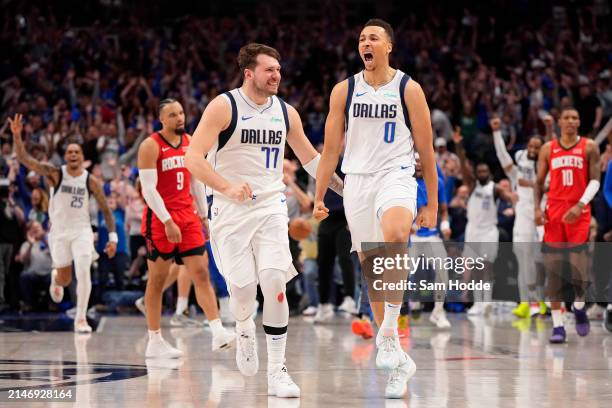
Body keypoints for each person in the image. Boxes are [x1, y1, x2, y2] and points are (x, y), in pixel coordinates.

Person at [185, 43, 343, 398]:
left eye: (279, 69)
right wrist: (225, 186)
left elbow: (312, 160)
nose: (277, 75)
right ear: (249, 73)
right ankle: (243, 326)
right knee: (242, 291)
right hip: (229, 210)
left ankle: (278, 371)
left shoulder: (286, 113)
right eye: (269, 69)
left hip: (272, 206)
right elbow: (192, 158)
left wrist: (345, 189)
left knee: (274, 282)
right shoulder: (224, 106)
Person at [313, 19, 437, 399]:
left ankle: (387, 329)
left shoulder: (408, 88)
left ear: (388, 47)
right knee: (372, 265)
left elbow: (427, 149)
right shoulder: (344, 90)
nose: (365, 43)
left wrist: (432, 201)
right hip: (358, 182)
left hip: (397, 174)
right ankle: (398, 359)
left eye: (373, 38)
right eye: (361, 39)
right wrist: (319, 196)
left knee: (397, 235)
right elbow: (331, 148)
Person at [137, 99, 235, 358]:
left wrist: (204, 216)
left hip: (188, 215)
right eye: (172, 115)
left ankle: (217, 331)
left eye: (181, 113)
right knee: (157, 280)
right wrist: (167, 220)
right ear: (162, 120)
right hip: (160, 218)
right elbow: (148, 190)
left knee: (201, 273)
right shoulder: (150, 146)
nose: (179, 118)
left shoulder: (191, 142)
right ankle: (154, 340)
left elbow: (196, 181)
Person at [9, 113, 118, 333]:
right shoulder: (54, 174)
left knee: (84, 268)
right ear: (65, 156)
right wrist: (17, 137)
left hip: (82, 231)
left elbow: (106, 209)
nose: (73, 154)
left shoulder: (90, 180)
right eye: (69, 152)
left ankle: (80, 318)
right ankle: (55, 278)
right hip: (59, 232)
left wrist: (113, 237)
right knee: (65, 279)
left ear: (82, 155)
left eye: (77, 151)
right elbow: (24, 159)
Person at [534, 107, 601, 343]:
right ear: (560, 122)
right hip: (554, 210)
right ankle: (558, 326)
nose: (571, 121)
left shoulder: (590, 146)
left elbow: (595, 181)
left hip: (578, 209)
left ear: (579, 122)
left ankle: (580, 305)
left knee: (578, 270)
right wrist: (536, 209)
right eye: (567, 118)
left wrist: (580, 204)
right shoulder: (547, 148)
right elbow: (539, 183)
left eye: (575, 118)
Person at [452, 128, 514, 316]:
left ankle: (486, 301)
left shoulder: (495, 189)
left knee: (487, 266)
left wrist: (515, 197)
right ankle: (478, 303)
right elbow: (463, 166)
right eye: (479, 170)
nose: (482, 173)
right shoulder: (472, 186)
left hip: (488, 231)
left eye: (485, 170)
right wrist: (458, 145)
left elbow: (508, 195)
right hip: (473, 230)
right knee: (475, 268)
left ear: (489, 172)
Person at [491, 117, 547, 318]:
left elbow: (545, 187)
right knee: (523, 260)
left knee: (542, 262)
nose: (533, 148)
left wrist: (535, 186)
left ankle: (543, 301)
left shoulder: (546, 170)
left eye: (537, 146)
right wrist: (497, 133)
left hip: (542, 217)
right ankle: (526, 302)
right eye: (531, 144)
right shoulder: (518, 169)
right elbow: (503, 157)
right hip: (523, 220)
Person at [410, 153, 451, 329]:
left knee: (443, 271)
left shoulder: (437, 183)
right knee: (401, 273)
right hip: (411, 236)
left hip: (432, 235)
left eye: (421, 162)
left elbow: (443, 209)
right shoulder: (404, 184)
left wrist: (445, 225)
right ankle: (401, 311)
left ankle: (438, 311)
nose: (419, 165)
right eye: (415, 162)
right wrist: (409, 224)